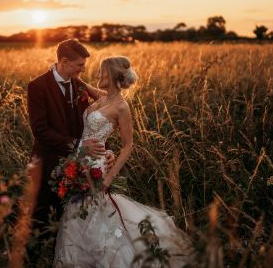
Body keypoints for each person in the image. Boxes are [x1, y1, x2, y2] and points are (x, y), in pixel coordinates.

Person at [53, 56, 195, 267]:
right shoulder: (101, 97)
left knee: (95, 213)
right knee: (77, 212)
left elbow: (129, 145)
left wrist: (110, 176)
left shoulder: (121, 107)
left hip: (97, 167)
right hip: (79, 161)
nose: (98, 75)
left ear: (111, 76)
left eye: (102, 72)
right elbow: (80, 84)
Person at [26, 38, 115, 262]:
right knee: (43, 215)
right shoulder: (37, 86)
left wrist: (106, 151)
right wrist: (77, 145)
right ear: (63, 62)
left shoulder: (80, 85)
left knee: (73, 215)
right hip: (47, 163)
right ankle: (34, 259)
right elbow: (40, 131)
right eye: (79, 65)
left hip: (79, 165)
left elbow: (96, 121)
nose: (83, 69)